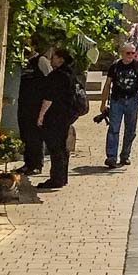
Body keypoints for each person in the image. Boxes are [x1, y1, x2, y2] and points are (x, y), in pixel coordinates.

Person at [100, 43, 138, 167]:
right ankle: (111, 157)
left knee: (130, 130)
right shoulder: (115, 67)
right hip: (117, 101)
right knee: (113, 129)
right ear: (122, 54)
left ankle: (125, 155)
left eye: (133, 53)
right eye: (128, 53)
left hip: (132, 101)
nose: (131, 55)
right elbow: (107, 85)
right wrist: (103, 103)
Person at [35, 48, 79, 190]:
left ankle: (56, 179)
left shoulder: (56, 76)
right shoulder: (70, 74)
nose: (51, 60)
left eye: (53, 57)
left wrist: (41, 116)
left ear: (61, 59)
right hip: (67, 115)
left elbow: (49, 98)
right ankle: (62, 177)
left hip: (55, 116)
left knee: (55, 148)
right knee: (62, 148)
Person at [15, 44, 51, 175]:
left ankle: (37, 164)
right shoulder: (24, 62)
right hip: (24, 105)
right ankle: (28, 163)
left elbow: (50, 79)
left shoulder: (41, 61)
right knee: (26, 135)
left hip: (37, 105)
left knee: (36, 136)